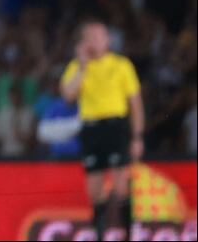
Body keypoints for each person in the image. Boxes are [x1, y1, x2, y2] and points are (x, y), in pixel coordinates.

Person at [61, 21, 144, 241]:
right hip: (91, 129)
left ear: (108, 40)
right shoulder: (77, 66)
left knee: (121, 186)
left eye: (99, 37)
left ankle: (128, 234)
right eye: (90, 37)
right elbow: (68, 96)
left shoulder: (121, 65)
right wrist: (82, 65)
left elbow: (135, 103)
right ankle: (99, 235)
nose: (95, 41)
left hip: (116, 127)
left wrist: (137, 136)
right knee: (95, 190)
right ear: (82, 42)